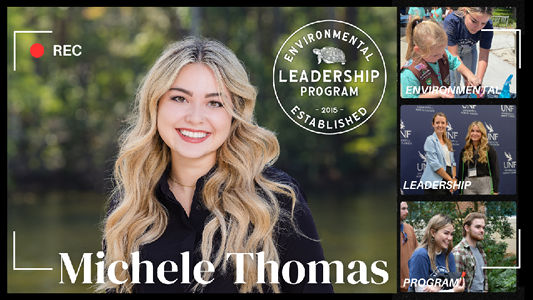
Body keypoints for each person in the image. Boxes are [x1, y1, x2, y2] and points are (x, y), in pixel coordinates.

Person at [97, 37, 333, 293]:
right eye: (179, 98)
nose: (195, 117)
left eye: (215, 103)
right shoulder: (128, 207)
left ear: (234, 115)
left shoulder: (278, 199)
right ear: (155, 105)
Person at [401, 16, 481, 98]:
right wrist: (437, 93)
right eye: (435, 55)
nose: (440, 56)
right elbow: (410, 98)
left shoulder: (442, 54)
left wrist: (470, 75)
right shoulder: (409, 73)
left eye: (443, 50)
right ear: (418, 50)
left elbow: (456, 63)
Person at [408, 214, 465, 292]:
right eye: (446, 233)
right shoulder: (420, 255)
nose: (450, 238)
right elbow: (420, 290)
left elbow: (453, 282)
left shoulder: (448, 255)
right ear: (433, 233)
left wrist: (440, 284)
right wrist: (451, 291)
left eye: (451, 234)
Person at [443, 7, 494, 88]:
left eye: (483, 23)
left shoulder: (488, 26)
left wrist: (477, 83)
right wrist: (468, 76)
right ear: (465, 11)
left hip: (470, 50)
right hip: (453, 50)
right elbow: (454, 55)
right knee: (454, 82)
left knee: (470, 84)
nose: (478, 27)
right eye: (474, 21)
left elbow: (483, 57)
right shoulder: (451, 20)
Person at [419, 113, 457, 195]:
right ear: (433, 124)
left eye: (443, 123)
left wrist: (454, 179)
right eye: (437, 122)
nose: (440, 125)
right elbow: (435, 164)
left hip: (448, 181)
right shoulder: (430, 140)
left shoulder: (448, 142)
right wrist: (451, 181)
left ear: (446, 125)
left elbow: (453, 162)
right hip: (434, 183)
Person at [458, 121, 499, 195]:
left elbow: (495, 171)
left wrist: (495, 191)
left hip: (485, 183)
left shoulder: (489, 149)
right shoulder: (464, 150)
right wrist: (460, 191)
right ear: (469, 133)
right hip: (469, 184)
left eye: (478, 131)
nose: (474, 134)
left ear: (482, 133)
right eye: (472, 131)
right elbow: (461, 172)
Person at [452, 212, 488, 292]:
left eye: (483, 228)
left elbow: (483, 278)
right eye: (478, 227)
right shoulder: (458, 252)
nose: (482, 230)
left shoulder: (480, 250)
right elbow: (456, 285)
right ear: (467, 228)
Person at [400, 201, 418, 292]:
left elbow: (417, 253)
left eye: (407, 208)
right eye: (403, 209)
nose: (407, 212)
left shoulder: (409, 228)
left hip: (411, 286)